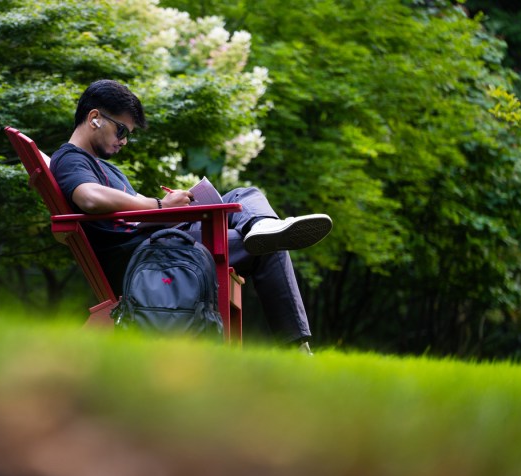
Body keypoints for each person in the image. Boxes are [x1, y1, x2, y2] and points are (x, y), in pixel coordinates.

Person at [50, 79, 332, 351]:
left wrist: (174, 206)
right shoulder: (71, 159)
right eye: (122, 131)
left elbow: (135, 207)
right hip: (145, 257)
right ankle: (297, 349)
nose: (124, 142)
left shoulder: (106, 168)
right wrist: (161, 206)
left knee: (244, 195)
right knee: (269, 248)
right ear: (95, 118)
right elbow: (89, 198)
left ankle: (263, 224)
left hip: (156, 244)